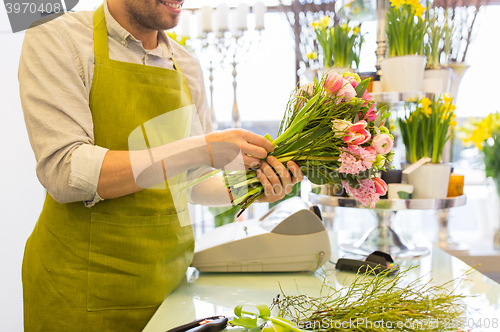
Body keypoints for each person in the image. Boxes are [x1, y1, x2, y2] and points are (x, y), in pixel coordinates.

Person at [18, 0, 304, 331]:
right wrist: (199, 148)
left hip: (169, 289)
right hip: (77, 288)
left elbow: (193, 181)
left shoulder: (187, 66)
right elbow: (65, 173)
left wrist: (252, 188)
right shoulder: (57, 36)